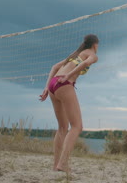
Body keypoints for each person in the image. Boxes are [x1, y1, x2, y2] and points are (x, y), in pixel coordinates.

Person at [39, 34, 99, 172]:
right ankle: (63, 164)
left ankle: (56, 165)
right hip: (64, 83)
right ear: (95, 44)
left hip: (54, 84)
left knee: (62, 127)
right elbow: (86, 63)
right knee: (77, 126)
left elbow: (55, 67)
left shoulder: (75, 54)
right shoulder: (93, 55)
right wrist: (68, 75)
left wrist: (46, 87)